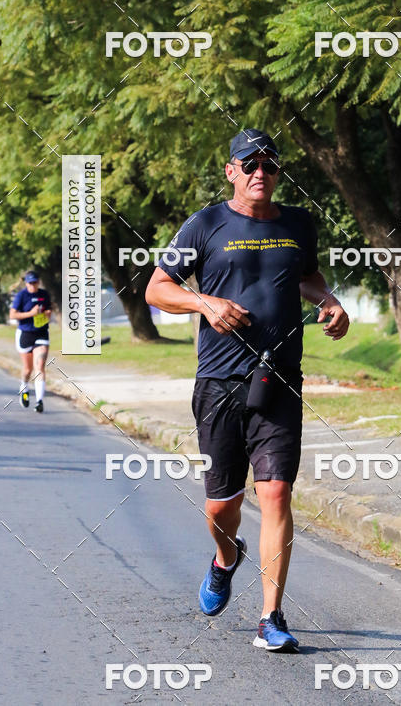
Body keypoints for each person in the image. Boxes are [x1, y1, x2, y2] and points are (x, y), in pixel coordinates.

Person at [145, 129, 349, 652]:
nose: (261, 171)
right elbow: (158, 288)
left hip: (279, 376)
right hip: (219, 381)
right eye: (249, 163)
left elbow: (306, 276)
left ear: (278, 173)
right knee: (220, 507)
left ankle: (270, 617)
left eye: (270, 164)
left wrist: (328, 300)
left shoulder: (299, 223)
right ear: (232, 171)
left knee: (276, 492)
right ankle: (224, 558)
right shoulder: (207, 223)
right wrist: (205, 303)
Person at [9, 271, 52, 413]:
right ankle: (24, 387)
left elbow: (49, 309)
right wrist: (30, 314)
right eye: (30, 283)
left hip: (41, 333)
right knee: (28, 369)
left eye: (35, 282)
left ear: (39, 282)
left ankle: (39, 401)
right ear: (26, 283)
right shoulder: (21, 295)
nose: (33, 285)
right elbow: (13, 314)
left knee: (40, 366)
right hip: (25, 334)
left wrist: (47, 313)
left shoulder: (44, 294)